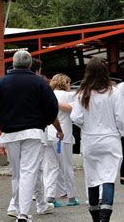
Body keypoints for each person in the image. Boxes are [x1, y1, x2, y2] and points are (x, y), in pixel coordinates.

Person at [0, 51, 60, 222]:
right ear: (30, 65)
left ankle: (16, 207)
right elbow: (52, 107)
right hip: (33, 131)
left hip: (10, 133)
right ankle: (23, 213)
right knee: (29, 171)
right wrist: (44, 122)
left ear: (14, 63)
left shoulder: (1, 83)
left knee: (17, 173)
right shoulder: (39, 83)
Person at [70, 57, 124, 222]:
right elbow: (121, 118)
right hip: (110, 139)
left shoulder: (83, 93)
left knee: (92, 178)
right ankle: (105, 215)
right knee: (108, 177)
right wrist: (121, 132)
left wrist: (86, 124)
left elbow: (76, 117)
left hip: (90, 140)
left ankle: (95, 215)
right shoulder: (114, 92)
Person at [43, 74, 80, 207]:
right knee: (67, 167)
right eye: (69, 83)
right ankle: (71, 197)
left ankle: (50, 196)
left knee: (51, 167)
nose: (70, 86)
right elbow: (74, 110)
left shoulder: (48, 94)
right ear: (65, 83)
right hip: (63, 136)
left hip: (48, 135)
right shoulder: (69, 96)